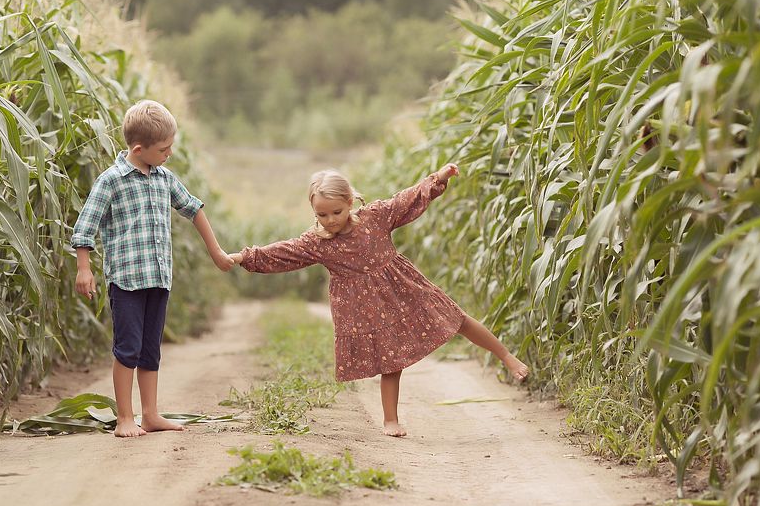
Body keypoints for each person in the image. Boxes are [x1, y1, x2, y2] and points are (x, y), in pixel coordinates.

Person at [229, 165, 529, 437]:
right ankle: (390, 420)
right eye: (322, 214)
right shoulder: (317, 242)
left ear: (350, 202)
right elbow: (282, 252)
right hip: (365, 305)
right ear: (313, 211)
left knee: (455, 318)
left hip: (403, 286)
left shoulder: (375, 216)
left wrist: (437, 179)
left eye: (336, 212)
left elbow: (406, 200)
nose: (330, 220)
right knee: (391, 359)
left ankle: (506, 356)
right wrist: (245, 256)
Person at [72, 100, 234, 438]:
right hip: (127, 281)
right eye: (164, 148)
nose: (169, 153)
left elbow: (193, 209)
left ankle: (150, 414)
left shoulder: (164, 178)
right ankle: (124, 418)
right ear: (138, 148)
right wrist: (84, 268)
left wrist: (216, 251)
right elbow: (86, 225)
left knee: (150, 349)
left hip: (159, 278)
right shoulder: (112, 181)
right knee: (127, 348)